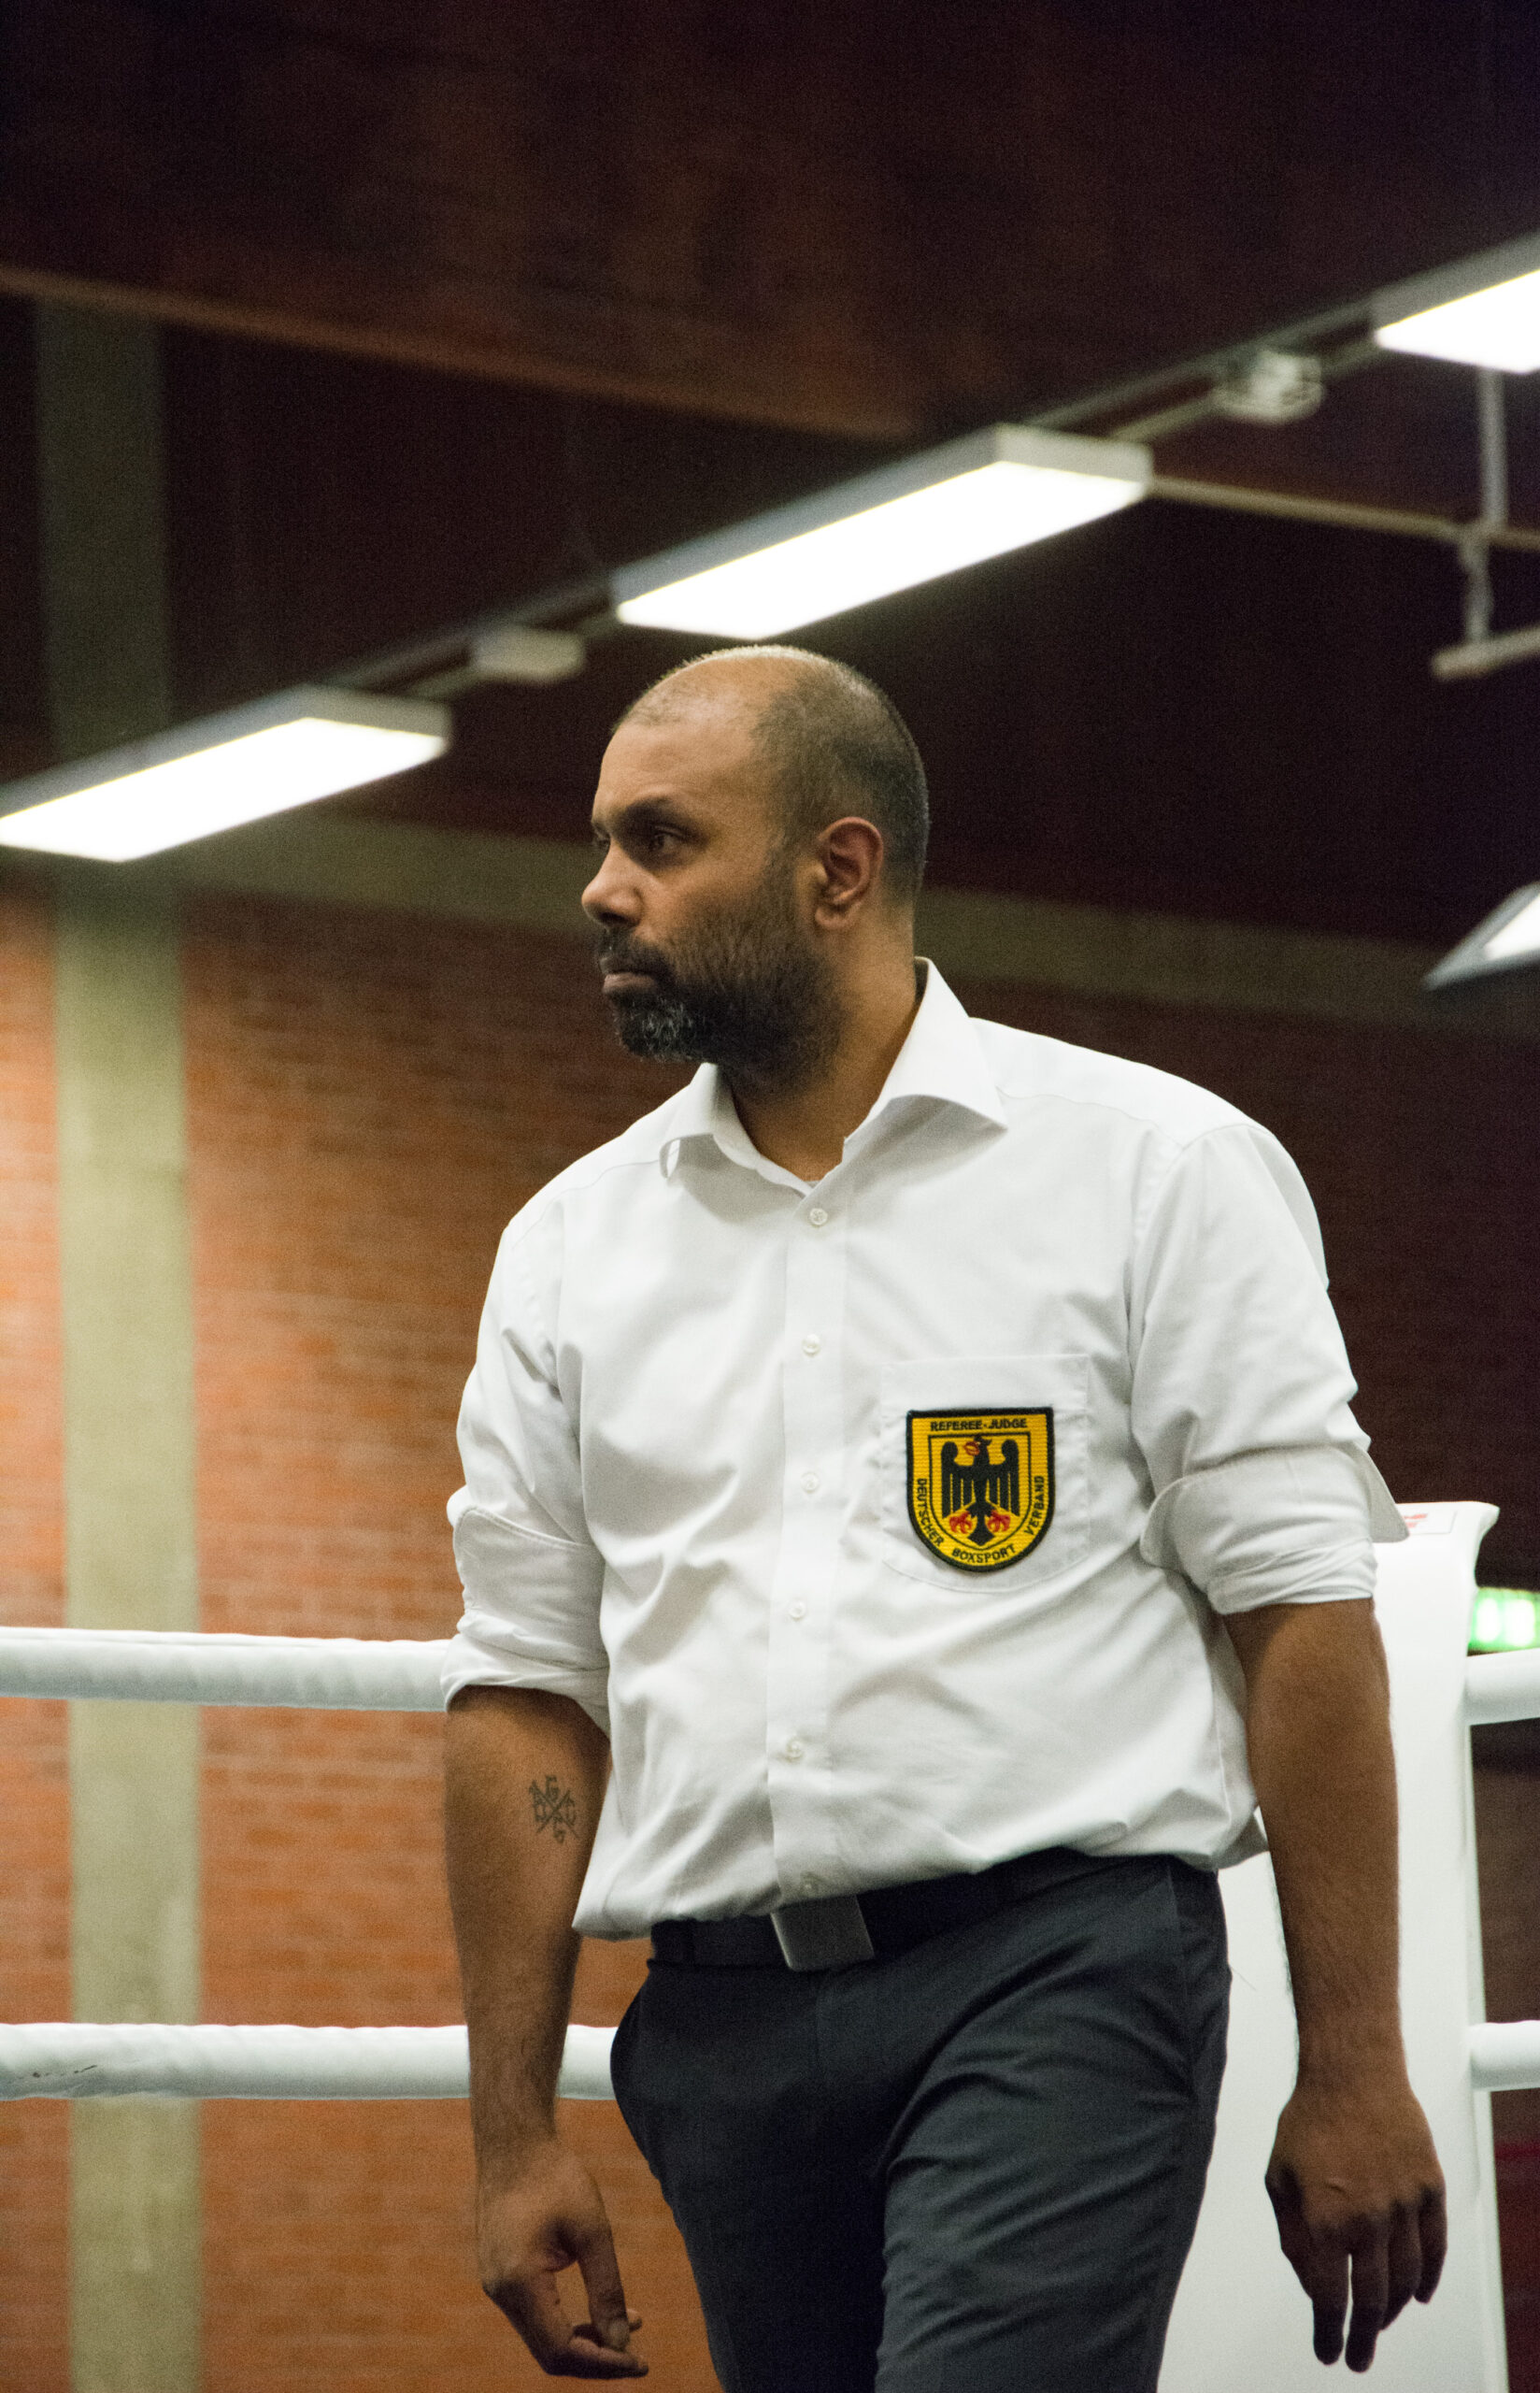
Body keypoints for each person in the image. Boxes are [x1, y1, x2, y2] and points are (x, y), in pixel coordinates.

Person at [441, 646, 1447, 2390]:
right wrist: (510, 2132)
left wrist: (1355, 2057)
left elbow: (1299, 1612)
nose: (600, 889)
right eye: (604, 841)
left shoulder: (1155, 1168)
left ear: (838, 871)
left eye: (661, 840)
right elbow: (527, 1692)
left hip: (1055, 1978)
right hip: (721, 2026)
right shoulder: (568, 1247)